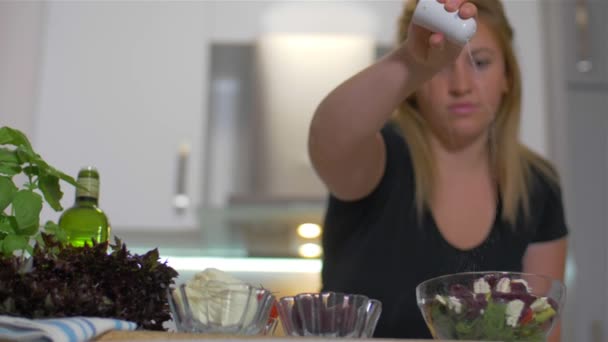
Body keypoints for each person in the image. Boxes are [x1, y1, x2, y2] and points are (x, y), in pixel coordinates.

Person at [308, 0, 568, 340]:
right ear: (413, 89)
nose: (461, 84)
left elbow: (544, 330)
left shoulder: (538, 185)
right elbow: (330, 138)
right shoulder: (382, 157)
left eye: (481, 62)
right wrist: (412, 62)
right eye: (441, 66)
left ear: (508, 77)